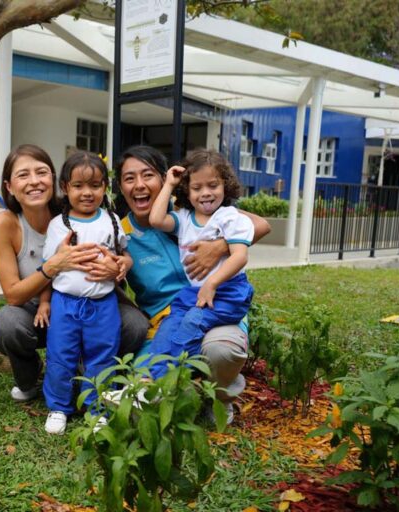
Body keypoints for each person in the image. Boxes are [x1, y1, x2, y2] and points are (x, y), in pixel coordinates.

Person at [116, 145, 270, 422]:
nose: (139, 185)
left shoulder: (202, 212)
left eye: (147, 175)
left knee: (220, 350)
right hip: (168, 319)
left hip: (216, 304)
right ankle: (182, 388)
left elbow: (261, 225)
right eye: (129, 178)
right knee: (144, 391)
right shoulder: (122, 232)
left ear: (164, 179)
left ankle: (221, 397)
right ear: (120, 186)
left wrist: (220, 246)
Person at [0, 145, 149, 403]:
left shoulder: (80, 208)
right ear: (9, 186)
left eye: (41, 172)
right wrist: (53, 266)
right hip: (39, 314)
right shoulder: (5, 223)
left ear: (54, 180)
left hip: (94, 307)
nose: (34, 182)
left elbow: (119, 250)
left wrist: (120, 265)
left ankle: (91, 372)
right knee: (7, 324)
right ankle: (29, 378)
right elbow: (12, 296)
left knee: (135, 324)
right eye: (23, 175)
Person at [40, 151, 131, 435]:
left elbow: (124, 254)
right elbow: (49, 266)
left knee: (102, 355)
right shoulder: (58, 225)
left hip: (103, 304)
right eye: (78, 186)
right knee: (60, 354)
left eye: (95, 185)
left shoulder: (113, 221)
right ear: (65, 188)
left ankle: (98, 407)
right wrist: (44, 302)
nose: (87, 193)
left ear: (105, 187)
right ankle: (58, 407)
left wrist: (121, 265)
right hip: (65, 304)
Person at [147, 149, 254, 380]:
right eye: (197, 188)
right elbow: (156, 219)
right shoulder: (184, 217)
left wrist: (212, 283)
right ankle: (151, 378)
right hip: (195, 293)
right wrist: (168, 185)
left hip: (228, 293)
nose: (205, 193)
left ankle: (172, 379)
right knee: (169, 325)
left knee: (192, 322)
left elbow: (239, 256)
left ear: (225, 185)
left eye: (213, 185)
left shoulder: (230, 217)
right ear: (187, 190)